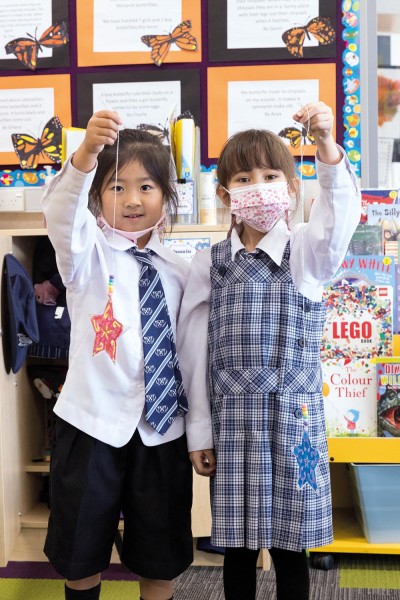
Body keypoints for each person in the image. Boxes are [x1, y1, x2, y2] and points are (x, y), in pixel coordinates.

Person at [178, 101, 361, 600]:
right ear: (224, 193)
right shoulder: (209, 263)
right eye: (242, 178)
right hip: (232, 424)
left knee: (290, 546)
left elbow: (339, 219)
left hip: (293, 421)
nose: (257, 186)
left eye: (268, 174)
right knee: (236, 547)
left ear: (291, 187)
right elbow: (193, 352)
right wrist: (198, 430)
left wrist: (326, 147)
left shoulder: (306, 252)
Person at [42, 110, 193, 600]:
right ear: (97, 197)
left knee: (161, 559)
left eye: (146, 187)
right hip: (92, 425)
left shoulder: (181, 270)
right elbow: (61, 215)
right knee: (80, 555)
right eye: (116, 186)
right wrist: (85, 155)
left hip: (162, 431)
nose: (131, 199)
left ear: (166, 196)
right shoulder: (86, 255)